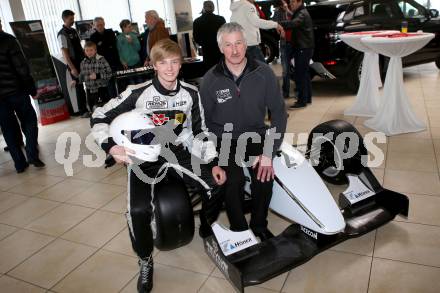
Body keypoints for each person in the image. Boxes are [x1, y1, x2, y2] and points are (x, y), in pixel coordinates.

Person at [91, 39, 226, 293]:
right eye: (163, 62)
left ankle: (207, 229)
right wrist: (110, 146)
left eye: (175, 62)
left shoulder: (191, 94)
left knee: (215, 186)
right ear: (153, 65)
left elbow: (200, 132)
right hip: (143, 155)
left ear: (181, 63)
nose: (170, 68)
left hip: (177, 149)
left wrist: (213, 161)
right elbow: (99, 115)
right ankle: (145, 260)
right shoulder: (136, 92)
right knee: (137, 211)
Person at [200, 22, 287, 241]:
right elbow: (203, 123)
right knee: (234, 179)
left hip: (256, 135)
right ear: (221, 48)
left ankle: (259, 226)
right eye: (228, 45)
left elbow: (278, 114)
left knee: (264, 174)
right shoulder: (210, 80)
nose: (235, 50)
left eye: (238, 43)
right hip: (224, 139)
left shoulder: (264, 73)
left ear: (246, 43)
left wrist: (268, 152)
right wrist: (212, 158)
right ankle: (240, 230)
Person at [0, 19, 45, 173]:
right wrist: (32, 89)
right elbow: (21, 67)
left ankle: (19, 164)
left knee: (8, 129)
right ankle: (32, 153)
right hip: (17, 91)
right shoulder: (8, 40)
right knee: (30, 121)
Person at [279, 0, 314, 108]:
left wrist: (279, 23)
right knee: (304, 74)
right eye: (290, 2)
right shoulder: (300, 11)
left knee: (300, 74)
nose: (291, 4)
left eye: (293, 1)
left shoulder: (301, 13)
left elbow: (293, 23)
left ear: (300, 2)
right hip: (304, 47)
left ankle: (301, 101)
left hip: (303, 48)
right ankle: (307, 98)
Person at [57, 10, 88, 117]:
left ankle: (87, 108)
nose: (73, 21)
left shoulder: (74, 31)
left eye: (73, 18)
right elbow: (65, 53)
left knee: (85, 84)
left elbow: (79, 46)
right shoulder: (62, 34)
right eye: (71, 19)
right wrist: (72, 68)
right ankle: (82, 111)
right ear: (65, 19)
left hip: (81, 61)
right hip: (73, 63)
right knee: (79, 87)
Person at [78, 41, 112, 112]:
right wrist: (76, 80)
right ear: (84, 51)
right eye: (87, 50)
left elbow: (109, 73)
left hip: (101, 88)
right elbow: (82, 75)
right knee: (92, 109)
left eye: (91, 50)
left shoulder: (101, 60)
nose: (89, 52)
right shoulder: (83, 63)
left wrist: (97, 76)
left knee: (105, 108)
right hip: (89, 90)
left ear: (95, 50)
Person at [193, 1, 226, 71]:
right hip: (220, 50)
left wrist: (204, 43)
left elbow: (196, 38)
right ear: (213, 8)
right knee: (222, 70)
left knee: (210, 72)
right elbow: (225, 34)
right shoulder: (221, 19)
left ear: (204, 8)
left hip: (207, 51)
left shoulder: (197, 21)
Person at [272, 0, 294, 99]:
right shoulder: (278, 11)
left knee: (297, 68)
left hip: (296, 43)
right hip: (285, 43)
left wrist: (288, 10)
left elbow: (297, 20)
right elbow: (275, 24)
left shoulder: (295, 8)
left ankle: (299, 91)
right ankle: (285, 92)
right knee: (285, 70)